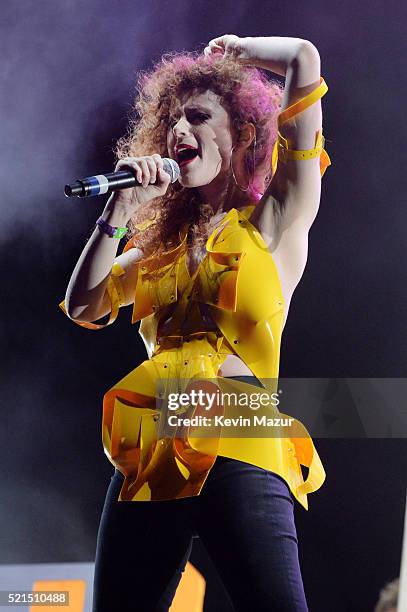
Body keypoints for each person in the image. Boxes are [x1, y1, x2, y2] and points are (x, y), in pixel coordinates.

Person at [60, 34, 331, 612]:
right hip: (156, 430)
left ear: (243, 132)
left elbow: (302, 59)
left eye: (199, 116)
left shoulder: (274, 219)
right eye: (172, 122)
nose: (179, 131)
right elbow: (83, 305)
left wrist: (237, 51)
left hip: (237, 421)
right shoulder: (156, 248)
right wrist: (116, 216)